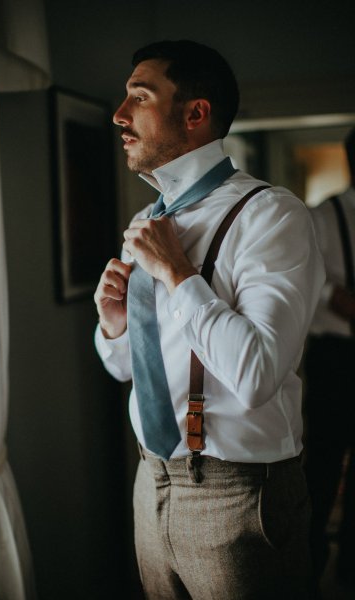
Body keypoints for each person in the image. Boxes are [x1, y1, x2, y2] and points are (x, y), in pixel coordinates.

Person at [94, 40, 325, 600]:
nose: (120, 115)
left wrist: (176, 273)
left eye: (139, 97)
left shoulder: (271, 215)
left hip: (237, 495)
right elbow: (127, 369)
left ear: (195, 113)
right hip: (150, 483)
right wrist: (116, 324)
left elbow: (255, 375)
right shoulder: (147, 219)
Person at [303, 126, 355, 596]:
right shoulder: (321, 216)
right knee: (321, 464)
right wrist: (331, 294)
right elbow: (302, 276)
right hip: (335, 358)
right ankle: (310, 565)